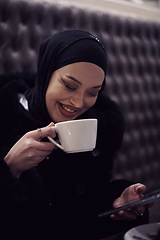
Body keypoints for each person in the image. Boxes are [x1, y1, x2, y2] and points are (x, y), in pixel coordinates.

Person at [0, 29, 152, 240]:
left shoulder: (99, 127)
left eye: (92, 92)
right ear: (46, 73)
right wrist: (10, 169)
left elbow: (84, 209)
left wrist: (116, 203)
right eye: (70, 86)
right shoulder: (6, 116)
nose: (79, 103)